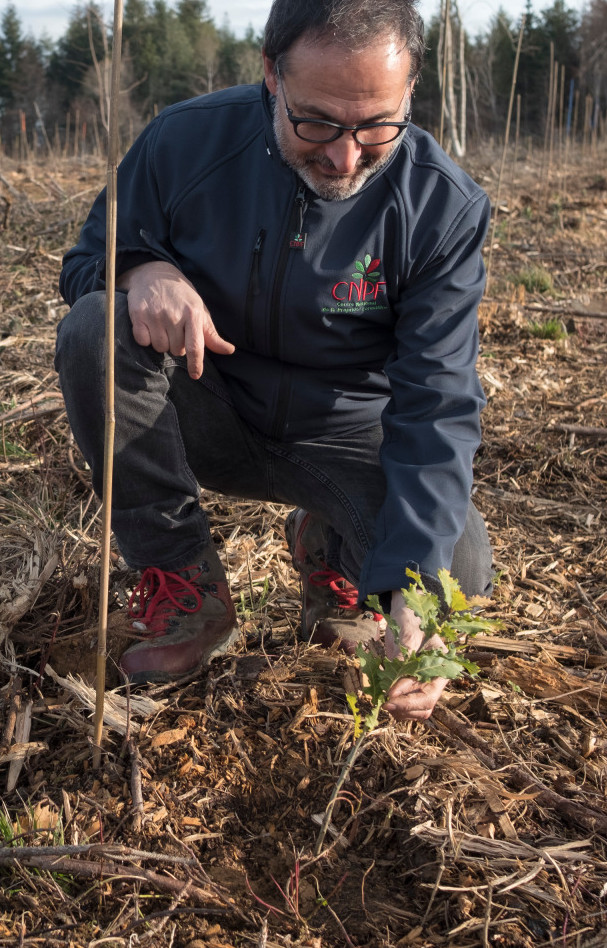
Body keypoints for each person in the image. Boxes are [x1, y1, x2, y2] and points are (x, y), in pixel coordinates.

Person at [55, 0, 492, 722]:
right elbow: (85, 264)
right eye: (316, 121)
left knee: (455, 569)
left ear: (409, 92)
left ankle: (331, 550)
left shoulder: (440, 207)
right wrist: (140, 271)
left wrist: (413, 597)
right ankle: (184, 586)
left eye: (377, 125)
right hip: (204, 407)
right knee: (97, 326)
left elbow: (438, 401)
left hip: (343, 437)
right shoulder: (186, 144)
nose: (345, 156)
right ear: (270, 76)